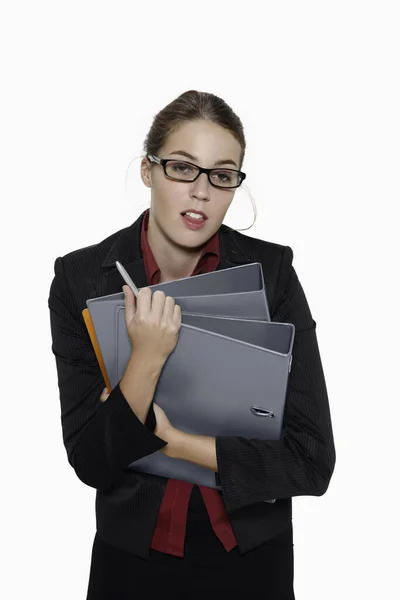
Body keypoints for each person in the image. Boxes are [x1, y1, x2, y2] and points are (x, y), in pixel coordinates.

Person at [48, 90, 336, 599]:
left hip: (252, 559)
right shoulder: (79, 278)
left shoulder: (274, 275)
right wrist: (147, 358)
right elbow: (91, 462)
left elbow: (311, 462)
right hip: (132, 559)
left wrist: (177, 443)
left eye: (222, 176)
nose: (201, 192)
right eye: (183, 168)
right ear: (148, 171)